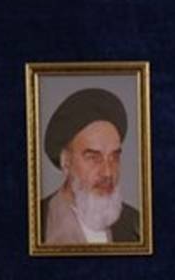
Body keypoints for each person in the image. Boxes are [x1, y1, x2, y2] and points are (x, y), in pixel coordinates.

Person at [40, 87, 141, 244]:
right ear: (66, 161)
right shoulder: (38, 221)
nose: (108, 172)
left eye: (114, 157)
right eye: (93, 158)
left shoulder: (136, 224)